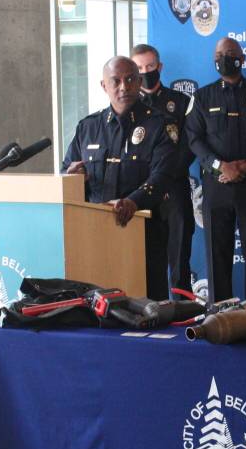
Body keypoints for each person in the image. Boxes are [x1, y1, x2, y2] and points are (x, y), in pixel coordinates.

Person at [61, 56, 178, 301]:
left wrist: (133, 201)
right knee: (98, 304)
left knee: (147, 305)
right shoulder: (88, 127)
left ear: (138, 82)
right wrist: (73, 177)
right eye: (115, 81)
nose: (123, 86)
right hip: (94, 233)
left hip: (144, 230)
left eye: (130, 79)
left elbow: (164, 174)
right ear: (104, 86)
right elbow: (66, 172)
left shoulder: (160, 124)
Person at [186, 38, 246, 302]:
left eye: (229, 53)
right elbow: (194, 139)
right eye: (219, 54)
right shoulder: (202, 96)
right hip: (217, 185)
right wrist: (220, 166)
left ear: (242, 58)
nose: (224, 58)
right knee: (217, 252)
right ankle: (220, 309)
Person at [132, 43, 195, 298]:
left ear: (160, 67)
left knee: (179, 258)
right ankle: (152, 313)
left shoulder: (180, 102)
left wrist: (165, 180)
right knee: (147, 259)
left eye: (150, 66)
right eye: (139, 68)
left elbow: (189, 146)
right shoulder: (130, 106)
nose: (146, 72)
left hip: (174, 189)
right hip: (140, 193)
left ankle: (183, 312)